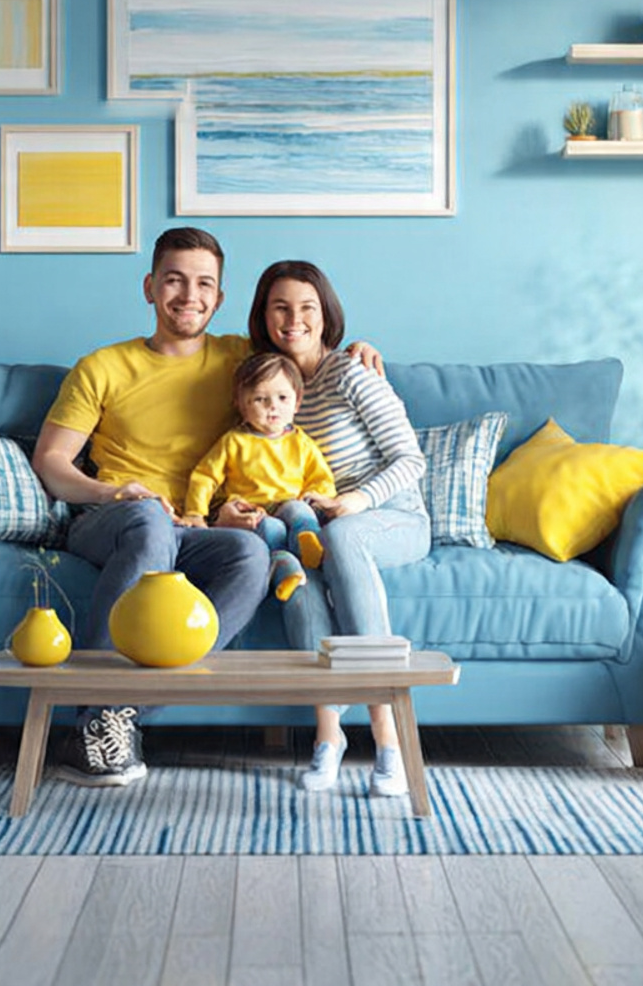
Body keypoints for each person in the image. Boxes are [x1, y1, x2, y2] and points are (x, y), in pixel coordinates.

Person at [32, 228, 382, 788]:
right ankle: (98, 715)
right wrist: (112, 492)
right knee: (149, 520)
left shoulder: (240, 360)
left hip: (196, 528)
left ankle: (123, 716)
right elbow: (51, 462)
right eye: (174, 279)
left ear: (218, 299)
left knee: (249, 552)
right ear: (149, 287)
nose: (188, 295)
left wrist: (356, 350)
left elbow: (303, 354)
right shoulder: (101, 366)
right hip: (116, 518)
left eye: (203, 284)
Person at [248, 259, 430, 798]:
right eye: (280, 307)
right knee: (302, 567)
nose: (294, 319)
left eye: (307, 307)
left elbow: (410, 458)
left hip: (394, 516)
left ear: (326, 315)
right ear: (263, 317)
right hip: (318, 524)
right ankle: (328, 736)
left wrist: (356, 500)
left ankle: (387, 734)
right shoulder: (269, 386)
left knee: (343, 537)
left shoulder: (352, 373)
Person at [184, 352, 336, 602]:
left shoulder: (301, 442)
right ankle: (286, 566)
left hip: (288, 503)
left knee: (299, 511)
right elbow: (205, 477)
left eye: (282, 398)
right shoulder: (234, 441)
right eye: (260, 399)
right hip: (252, 511)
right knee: (270, 528)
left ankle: (307, 546)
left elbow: (321, 478)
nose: (272, 406)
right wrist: (195, 512)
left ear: (297, 403)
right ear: (241, 405)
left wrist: (318, 496)